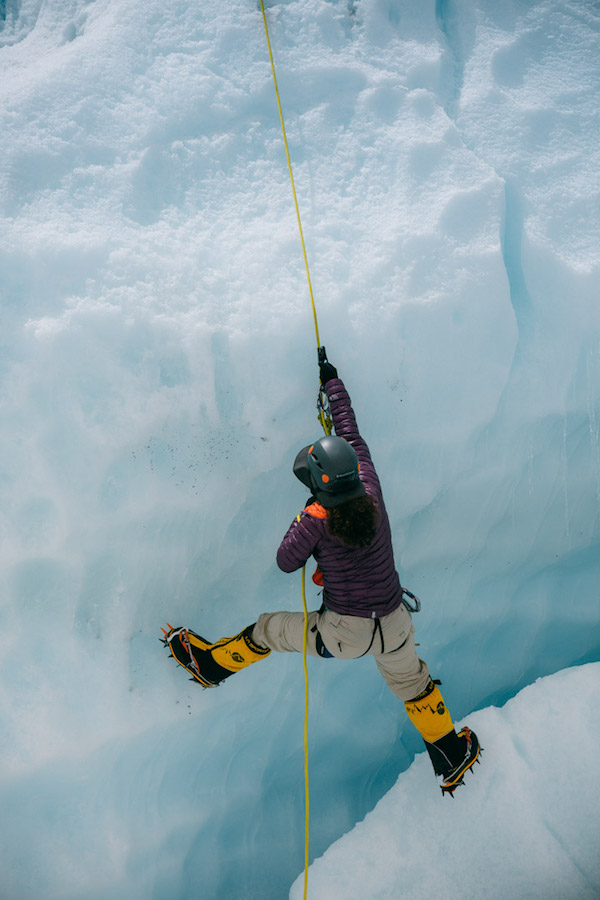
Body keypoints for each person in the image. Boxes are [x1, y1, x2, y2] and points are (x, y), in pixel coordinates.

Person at [162, 356, 480, 795]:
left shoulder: (315, 518)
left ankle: (211, 666)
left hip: (343, 634)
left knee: (269, 629)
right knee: (413, 683)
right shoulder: (370, 488)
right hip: (394, 622)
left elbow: (286, 561)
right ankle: (450, 754)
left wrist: (307, 519)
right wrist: (332, 382)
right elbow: (351, 433)